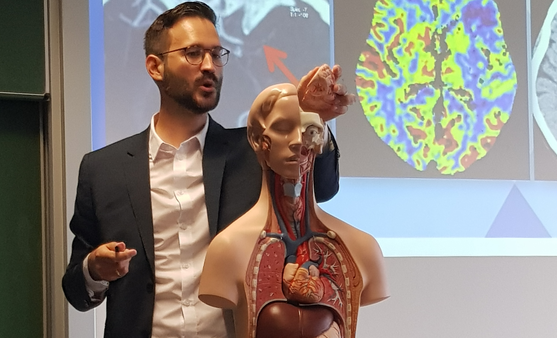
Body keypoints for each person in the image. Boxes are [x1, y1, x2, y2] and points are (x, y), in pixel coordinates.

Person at [61, 2, 354, 337]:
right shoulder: (104, 170)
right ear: (155, 66)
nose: (209, 66)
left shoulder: (256, 152)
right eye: (193, 53)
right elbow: (76, 291)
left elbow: (323, 188)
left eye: (216, 54)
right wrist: (94, 269)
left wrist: (315, 122)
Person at [199, 83, 389, 338]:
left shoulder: (362, 249)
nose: (298, 141)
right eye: (282, 128)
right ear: (258, 139)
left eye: (309, 130)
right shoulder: (229, 248)